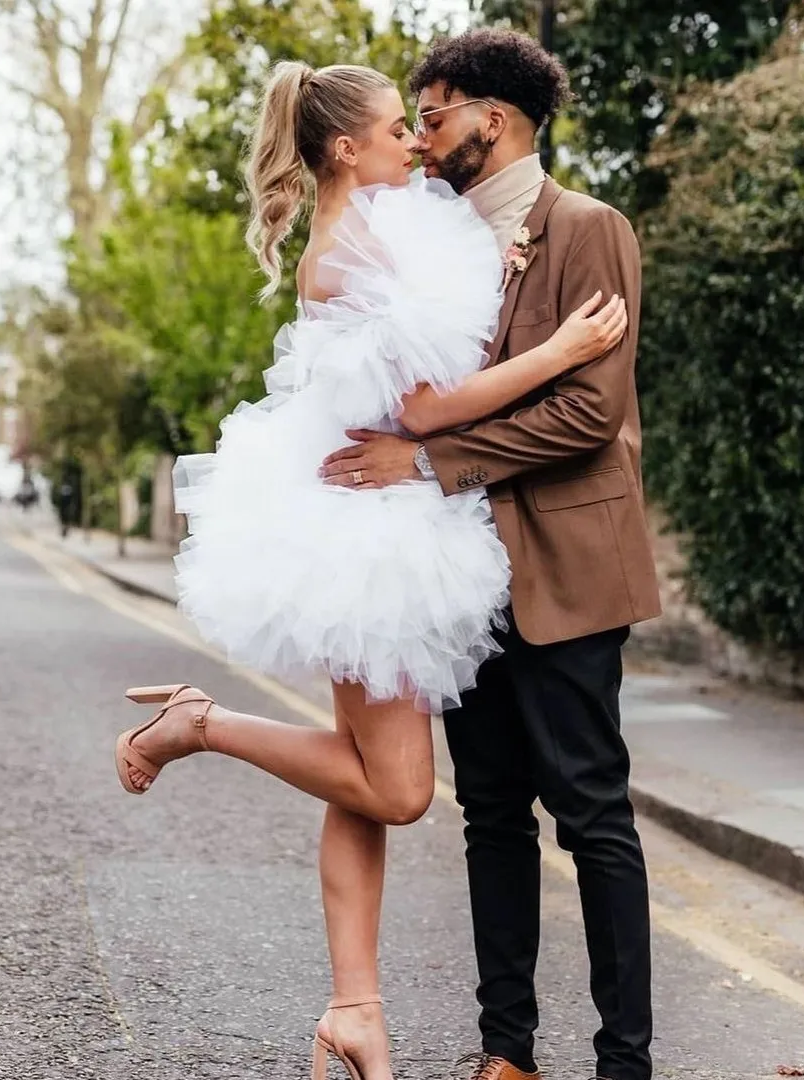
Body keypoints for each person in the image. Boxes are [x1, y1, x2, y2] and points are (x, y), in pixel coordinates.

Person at [114, 59, 626, 1080]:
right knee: (395, 790)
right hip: (374, 540)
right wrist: (562, 350)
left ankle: (355, 1013)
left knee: (358, 777)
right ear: (347, 147)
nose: (413, 141)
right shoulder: (356, 247)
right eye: (397, 127)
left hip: (374, 521)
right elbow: (434, 406)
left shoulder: (366, 230)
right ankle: (200, 722)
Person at [320, 29, 662, 1080]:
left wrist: (426, 463)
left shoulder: (590, 228)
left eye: (433, 117)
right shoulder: (428, 239)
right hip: (461, 577)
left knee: (592, 814)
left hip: (567, 565)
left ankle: (624, 1061)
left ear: (493, 120)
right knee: (491, 816)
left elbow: (589, 416)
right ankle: (505, 1052)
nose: (421, 144)